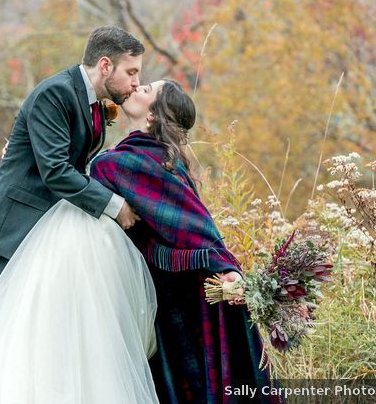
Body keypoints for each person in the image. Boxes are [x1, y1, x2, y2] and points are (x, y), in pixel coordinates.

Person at [90, 79, 279, 404]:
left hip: (184, 292)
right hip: (160, 290)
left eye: (145, 90)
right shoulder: (144, 157)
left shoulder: (137, 163)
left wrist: (225, 266)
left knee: (189, 381)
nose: (135, 88)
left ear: (152, 117)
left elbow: (195, 224)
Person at [0, 25, 143, 307]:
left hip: (41, 237)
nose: (135, 82)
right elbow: (57, 171)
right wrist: (115, 206)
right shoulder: (57, 93)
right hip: (7, 235)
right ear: (105, 66)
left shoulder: (93, 102)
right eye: (131, 72)